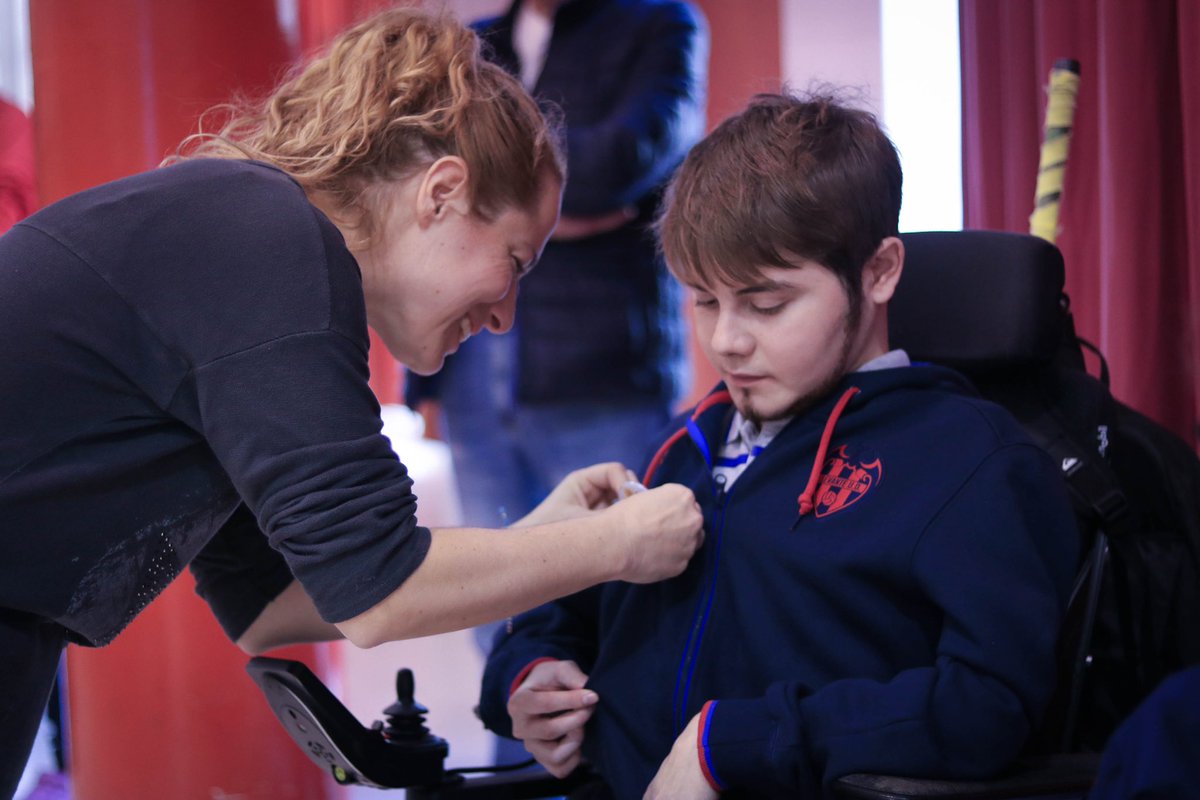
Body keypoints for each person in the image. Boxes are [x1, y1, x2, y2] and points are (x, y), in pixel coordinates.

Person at [0, 9, 706, 797]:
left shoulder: (243, 238)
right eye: (514, 261)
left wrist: (545, 534)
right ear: (441, 193)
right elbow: (378, 592)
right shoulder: (273, 240)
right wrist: (620, 545)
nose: (507, 313)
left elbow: (270, 607)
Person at [478, 92, 1081, 799]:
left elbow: (986, 707)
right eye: (704, 301)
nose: (727, 341)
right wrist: (532, 673)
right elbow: (570, 612)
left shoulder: (967, 464)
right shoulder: (685, 446)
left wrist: (729, 746)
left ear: (880, 271)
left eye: (767, 304)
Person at [404, 0, 707, 527]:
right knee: (492, 588)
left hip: (600, 373)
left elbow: (624, 160)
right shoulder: (474, 42)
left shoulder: (660, 22)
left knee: (613, 582)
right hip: (470, 376)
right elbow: (418, 185)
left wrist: (483, 201)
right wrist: (424, 388)